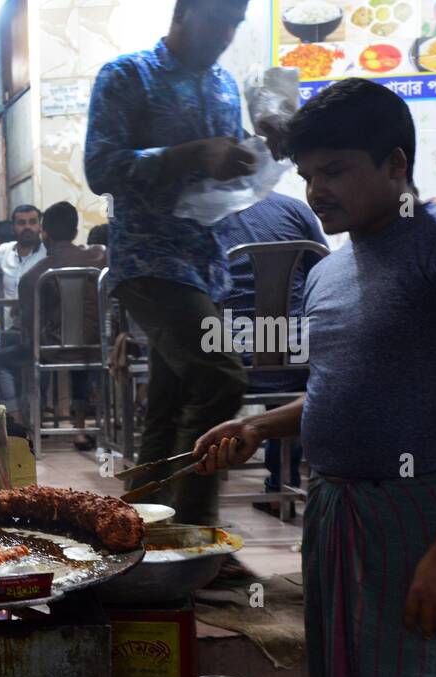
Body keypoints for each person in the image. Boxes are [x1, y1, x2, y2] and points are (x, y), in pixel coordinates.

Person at [194, 78, 436, 677]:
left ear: (396, 164)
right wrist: (263, 419)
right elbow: (343, 388)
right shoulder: (332, 271)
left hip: (418, 523)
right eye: (308, 173)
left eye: (338, 170)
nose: (318, 191)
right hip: (337, 515)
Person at [84, 0, 254, 525]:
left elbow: (229, 163)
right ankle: (192, 533)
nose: (226, 35)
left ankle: (135, 534)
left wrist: (255, 153)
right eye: (218, 21)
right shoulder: (128, 75)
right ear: (184, 12)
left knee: (169, 403)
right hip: (150, 259)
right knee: (220, 375)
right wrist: (193, 155)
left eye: (235, 26)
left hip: (204, 260)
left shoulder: (226, 85)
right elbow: (101, 168)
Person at [214, 191, 327, 514]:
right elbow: (321, 271)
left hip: (228, 355)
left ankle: (203, 486)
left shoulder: (203, 211)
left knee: (190, 371)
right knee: (295, 389)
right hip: (296, 354)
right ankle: (281, 484)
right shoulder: (293, 209)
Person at [17, 201, 107, 450]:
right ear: (76, 232)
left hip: (54, 351)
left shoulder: (33, 275)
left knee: (26, 353)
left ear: (44, 233)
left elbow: (29, 326)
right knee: (82, 349)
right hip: (98, 348)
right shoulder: (100, 258)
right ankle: (80, 429)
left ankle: (30, 425)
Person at [0, 204, 46, 419]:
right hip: (8, 330)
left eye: (32, 222)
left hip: (39, 333)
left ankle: (26, 415)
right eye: (21, 223)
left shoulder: (48, 253)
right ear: (14, 226)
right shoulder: (4, 251)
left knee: (4, 358)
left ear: (40, 225)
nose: (27, 227)